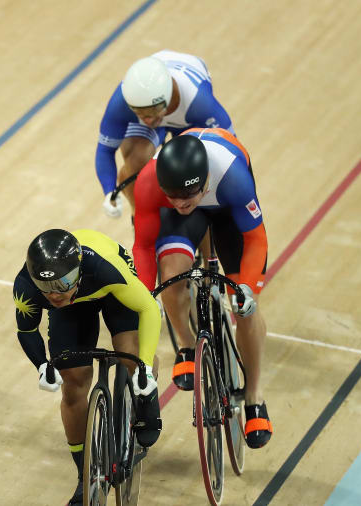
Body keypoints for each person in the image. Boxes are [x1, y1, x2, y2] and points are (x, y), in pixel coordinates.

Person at [131, 128, 272, 449]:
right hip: (189, 211)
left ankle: (254, 396)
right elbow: (143, 246)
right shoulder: (151, 183)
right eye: (173, 197)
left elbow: (255, 239)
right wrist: (142, 294)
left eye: (186, 197)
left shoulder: (233, 178)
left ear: (204, 182)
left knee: (245, 305)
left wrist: (248, 288)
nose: (180, 203)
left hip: (226, 210)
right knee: (171, 273)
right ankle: (185, 345)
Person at [13, 228, 162, 505]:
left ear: (78, 270)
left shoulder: (104, 268)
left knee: (132, 354)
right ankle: (86, 473)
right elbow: (27, 330)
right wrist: (42, 365)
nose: (55, 294)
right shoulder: (28, 286)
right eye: (46, 287)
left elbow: (148, 309)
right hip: (75, 307)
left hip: (109, 290)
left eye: (63, 283)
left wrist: (146, 369)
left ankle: (145, 398)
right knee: (73, 382)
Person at [96, 50, 234, 218]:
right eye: (140, 112)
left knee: (193, 166)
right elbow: (105, 150)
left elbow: (230, 150)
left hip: (187, 119)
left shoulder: (199, 102)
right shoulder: (121, 102)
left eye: (153, 110)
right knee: (136, 158)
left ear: (168, 95)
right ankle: (140, 217)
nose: (147, 119)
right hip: (167, 108)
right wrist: (109, 192)